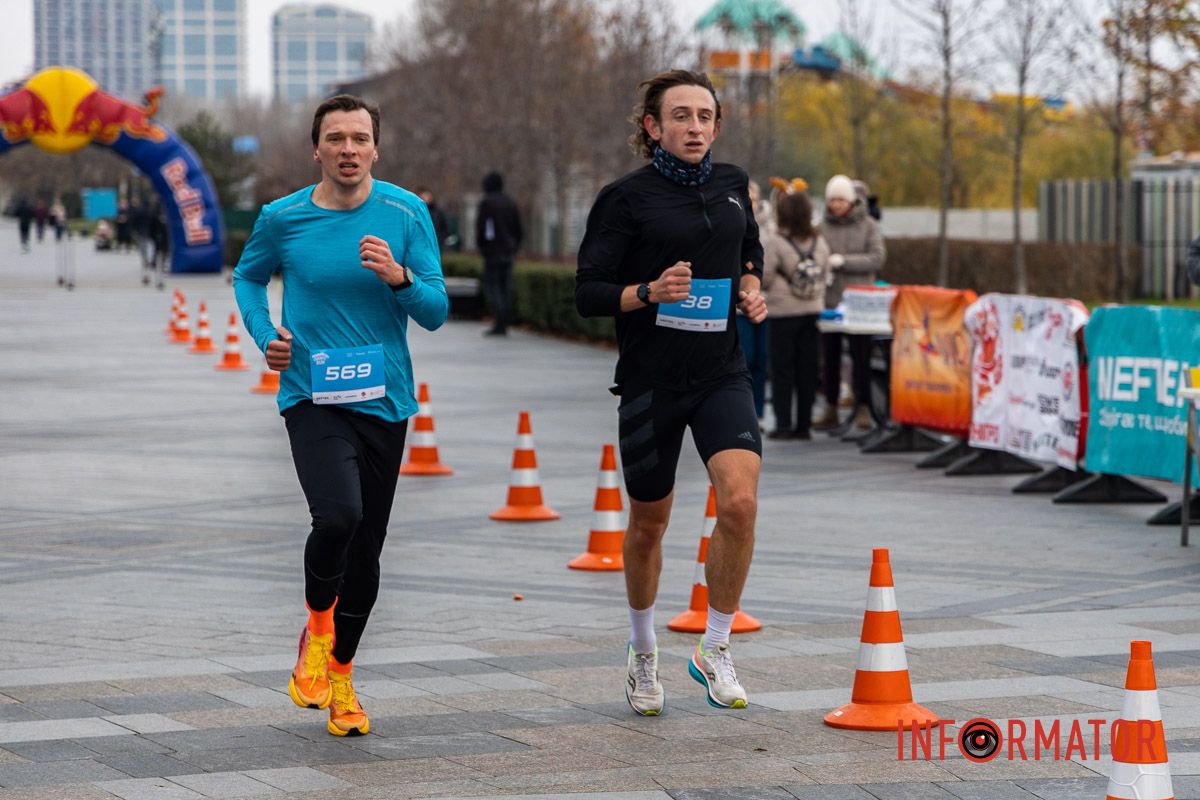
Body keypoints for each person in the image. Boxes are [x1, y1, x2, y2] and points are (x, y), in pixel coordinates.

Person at [233, 94, 448, 737]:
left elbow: (435, 311)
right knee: (339, 517)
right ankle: (318, 628)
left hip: (384, 402)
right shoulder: (283, 218)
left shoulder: (406, 212)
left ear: (376, 149)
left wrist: (400, 277)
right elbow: (248, 278)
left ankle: (344, 680)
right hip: (311, 394)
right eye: (336, 139)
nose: (348, 149)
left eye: (360, 138)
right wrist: (263, 332)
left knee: (369, 551)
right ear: (317, 149)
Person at [576, 69, 767, 716]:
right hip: (651, 382)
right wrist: (648, 293)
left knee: (739, 502)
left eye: (705, 116)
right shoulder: (625, 199)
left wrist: (749, 285)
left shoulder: (734, 184)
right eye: (680, 116)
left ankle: (715, 647)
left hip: (721, 373)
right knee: (649, 524)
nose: (694, 127)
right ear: (653, 127)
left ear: (717, 125)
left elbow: (749, 250)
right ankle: (642, 651)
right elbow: (587, 292)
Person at [814, 174, 886, 431]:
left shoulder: (868, 225)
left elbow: (877, 258)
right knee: (830, 358)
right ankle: (831, 406)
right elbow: (814, 254)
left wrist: (844, 261)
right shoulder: (821, 227)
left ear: (851, 201)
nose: (836, 206)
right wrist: (823, 266)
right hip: (831, 302)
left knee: (861, 357)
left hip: (860, 304)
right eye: (832, 200)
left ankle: (863, 406)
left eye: (841, 200)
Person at [760, 184, 830, 440]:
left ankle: (783, 425)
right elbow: (824, 273)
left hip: (782, 312)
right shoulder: (819, 241)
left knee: (782, 370)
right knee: (808, 369)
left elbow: (764, 277)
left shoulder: (775, 241)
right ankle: (804, 424)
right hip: (812, 311)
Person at [736, 180, 770, 423]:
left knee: (762, 360)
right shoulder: (731, 226)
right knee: (744, 359)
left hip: (767, 302)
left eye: (754, 199)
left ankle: (757, 412)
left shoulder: (772, 229)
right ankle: (742, 410)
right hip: (740, 306)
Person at [476, 171, 522, 336]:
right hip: (508, 251)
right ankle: (504, 321)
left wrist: (482, 246)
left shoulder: (486, 203)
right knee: (505, 287)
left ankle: (500, 319)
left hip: (492, 251)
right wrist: (515, 247)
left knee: (493, 287)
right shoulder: (510, 202)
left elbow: (482, 227)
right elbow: (518, 228)